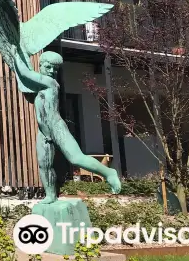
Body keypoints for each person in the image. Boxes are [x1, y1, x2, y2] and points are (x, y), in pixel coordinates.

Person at [12, 50, 121, 203]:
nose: (51, 71)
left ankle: (109, 172)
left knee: (76, 158)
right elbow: (25, 79)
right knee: (44, 164)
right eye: (48, 67)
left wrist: (16, 54)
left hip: (57, 127)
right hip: (43, 131)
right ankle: (50, 195)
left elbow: (25, 73)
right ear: (41, 65)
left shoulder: (50, 82)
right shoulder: (39, 86)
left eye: (55, 69)